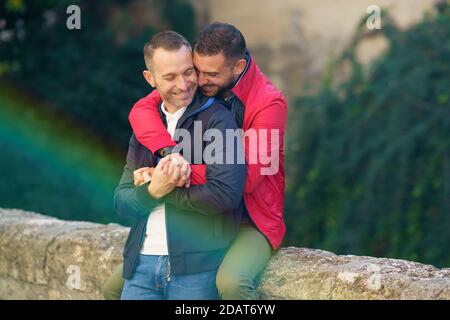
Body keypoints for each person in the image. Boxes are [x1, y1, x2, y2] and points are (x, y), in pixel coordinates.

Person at [103, 22, 287, 300]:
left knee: (232, 284)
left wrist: (168, 176)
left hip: (252, 216)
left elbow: (243, 179)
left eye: (209, 74)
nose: (197, 82)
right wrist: (168, 155)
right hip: (207, 213)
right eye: (195, 70)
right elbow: (142, 108)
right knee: (112, 288)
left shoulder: (268, 104)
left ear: (237, 68)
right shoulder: (194, 85)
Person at [114, 30, 246, 300]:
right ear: (150, 79)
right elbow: (121, 201)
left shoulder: (217, 120)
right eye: (170, 77)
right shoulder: (145, 125)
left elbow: (225, 194)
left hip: (197, 267)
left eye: (188, 72)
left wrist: (163, 188)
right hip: (141, 265)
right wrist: (152, 191)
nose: (184, 84)